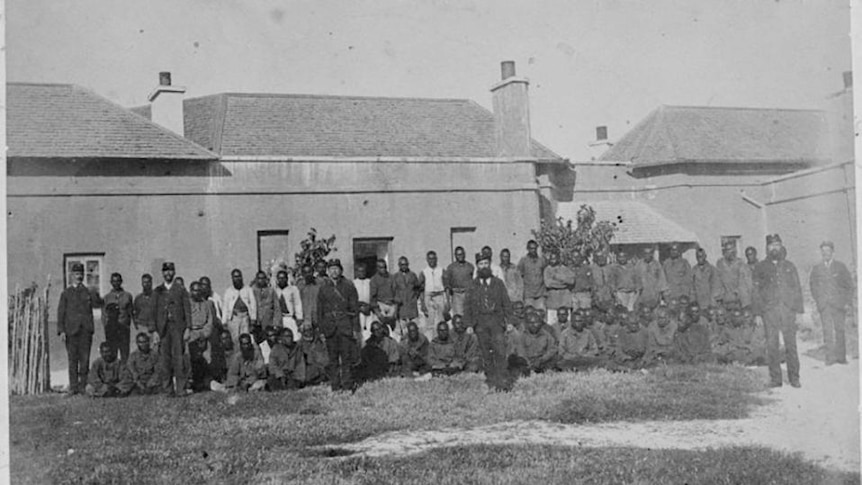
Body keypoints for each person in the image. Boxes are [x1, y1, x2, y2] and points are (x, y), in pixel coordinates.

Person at [752, 234, 804, 388]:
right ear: (767, 248)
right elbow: (755, 291)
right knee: (772, 345)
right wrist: (757, 313)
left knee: (791, 345)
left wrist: (799, 312)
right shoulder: (760, 267)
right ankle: (776, 379)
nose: (774, 248)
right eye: (771, 245)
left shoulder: (789, 266)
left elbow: (797, 289)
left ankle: (794, 377)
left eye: (777, 245)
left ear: (781, 246)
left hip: (787, 310)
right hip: (770, 311)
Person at [465, 251, 516, 390]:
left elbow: (506, 303)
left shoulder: (498, 283)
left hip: (496, 322)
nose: (484, 266)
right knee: (485, 353)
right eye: (481, 264)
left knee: (500, 351)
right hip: (480, 322)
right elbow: (467, 306)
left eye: (486, 263)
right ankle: (491, 380)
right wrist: (469, 324)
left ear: (490, 265)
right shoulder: (472, 285)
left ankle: (503, 381)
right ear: (477, 266)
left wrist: (510, 321)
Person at [317, 259, 361, 392]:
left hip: (345, 325)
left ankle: (347, 385)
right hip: (330, 327)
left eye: (336, 268)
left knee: (346, 358)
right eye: (331, 269)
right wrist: (322, 330)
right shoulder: (323, 288)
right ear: (328, 272)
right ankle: (335, 386)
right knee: (333, 359)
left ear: (341, 270)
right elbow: (320, 311)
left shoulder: (348, 286)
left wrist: (355, 328)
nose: (334, 271)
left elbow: (354, 309)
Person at [58, 263, 100, 396]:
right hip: (71, 331)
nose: (79, 276)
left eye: (81, 274)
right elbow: (61, 312)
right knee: (72, 360)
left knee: (85, 359)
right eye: (76, 274)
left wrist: (95, 293)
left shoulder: (88, 291)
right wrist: (62, 331)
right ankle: (73, 387)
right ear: (71, 275)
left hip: (85, 331)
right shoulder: (66, 293)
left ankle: (83, 386)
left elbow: (98, 304)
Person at [809, 241, 854, 365]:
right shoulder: (817, 268)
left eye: (828, 251)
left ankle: (841, 357)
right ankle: (830, 358)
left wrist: (846, 302)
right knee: (827, 331)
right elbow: (813, 285)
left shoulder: (840, 267)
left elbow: (849, 286)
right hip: (825, 306)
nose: (825, 254)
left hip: (839, 305)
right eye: (823, 251)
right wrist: (819, 299)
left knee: (840, 330)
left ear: (833, 252)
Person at [154, 262, 192, 396]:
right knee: (165, 359)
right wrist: (154, 331)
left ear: (174, 272)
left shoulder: (180, 290)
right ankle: (167, 389)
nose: (168, 273)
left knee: (179, 358)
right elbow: (153, 311)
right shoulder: (158, 291)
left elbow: (187, 310)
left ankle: (180, 389)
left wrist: (188, 328)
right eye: (165, 271)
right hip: (163, 329)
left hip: (177, 328)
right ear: (162, 273)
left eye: (170, 270)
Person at [187, 281, 214, 391]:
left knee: (207, 359)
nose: (196, 293)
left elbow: (210, 321)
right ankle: (190, 383)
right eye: (194, 290)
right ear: (190, 291)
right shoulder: (186, 304)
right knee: (190, 360)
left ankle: (205, 383)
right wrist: (192, 335)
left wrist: (204, 334)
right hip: (191, 334)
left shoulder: (206, 304)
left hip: (204, 334)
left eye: (198, 290)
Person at [419, 252, 449, 340]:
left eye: (433, 259)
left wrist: (447, 302)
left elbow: (446, 286)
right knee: (430, 322)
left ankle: (441, 339)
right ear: (427, 260)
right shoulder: (424, 272)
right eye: (430, 259)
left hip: (439, 295)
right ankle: (431, 341)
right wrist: (423, 304)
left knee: (441, 320)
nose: (432, 261)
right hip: (428, 296)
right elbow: (421, 289)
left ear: (436, 259)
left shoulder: (442, 270)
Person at [223, 269, 257, 347]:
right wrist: (224, 322)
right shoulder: (228, 291)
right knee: (235, 340)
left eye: (239, 276)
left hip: (245, 317)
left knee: (246, 338)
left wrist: (253, 319)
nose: (237, 279)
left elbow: (253, 305)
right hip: (234, 318)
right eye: (235, 277)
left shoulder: (248, 289)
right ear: (232, 278)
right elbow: (225, 307)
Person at [716, 242, 753, 309]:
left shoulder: (742, 265)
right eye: (728, 250)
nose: (731, 252)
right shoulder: (720, 265)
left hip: (739, 302)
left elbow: (747, 286)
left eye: (733, 249)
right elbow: (718, 284)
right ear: (724, 252)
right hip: (725, 303)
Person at [393, 257, 422, 339]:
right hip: (401, 307)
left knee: (414, 330)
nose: (404, 266)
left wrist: (414, 297)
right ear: (399, 265)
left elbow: (418, 288)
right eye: (402, 265)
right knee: (403, 332)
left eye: (405, 264)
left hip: (412, 307)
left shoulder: (413, 275)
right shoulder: (395, 277)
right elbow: (393, 290)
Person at [543, 252, 575, 322]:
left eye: (554, 258)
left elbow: (571, 281)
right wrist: (564, 284)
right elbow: (548, 284)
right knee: (552, 324)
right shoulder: (547, 270)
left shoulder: (565, 269)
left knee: (567, 324)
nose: (552, 260)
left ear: (558, 259)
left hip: (565, 302)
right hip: (552, 302)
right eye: (551, 259)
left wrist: (559, 278)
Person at [370, 259, 399, 337]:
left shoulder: (391, 278)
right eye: (381, 267)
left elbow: (396, 293)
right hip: (380, 305)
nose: (383, 269)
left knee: (394, 330)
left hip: (391, 304)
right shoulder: (374, 280)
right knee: (379, 329)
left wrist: (395, 310)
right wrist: (378, 313)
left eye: (385, 267)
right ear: (377, 268)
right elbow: (373, 298)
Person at [444, 246, 475, 316]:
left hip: (467, 294)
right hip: (456, 294)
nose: (460, 256)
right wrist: (448, 301)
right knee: (458, 316)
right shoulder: (451, 268)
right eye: (458, 255)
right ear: (455, 256)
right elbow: (447, 285)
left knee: (468, 314)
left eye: (462, 254)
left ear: (464, 254)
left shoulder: (470, 266)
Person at [518, 240, 547, 311]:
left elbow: (545, 274)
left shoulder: (542, 260)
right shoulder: (523, 261)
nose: (533, 250)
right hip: (528, 294)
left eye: (535, 248)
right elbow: (520, 275)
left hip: (540, 294)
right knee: (529, 314)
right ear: (527, 249)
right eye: (531, 248)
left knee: (541, 314)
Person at [253, 270, 283, 337]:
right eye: (259, 278)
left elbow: (277, 308)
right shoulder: (252, 291)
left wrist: (276, 323)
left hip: (268, 322)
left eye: (263, 278)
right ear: (256, 279)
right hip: (256, 323)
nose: (261, 280)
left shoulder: (271, 291)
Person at [133, 274, 158, 350]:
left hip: (155, 328)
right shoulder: (138, 298)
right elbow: (135, 313)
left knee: (155, 350)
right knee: (142, 349)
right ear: (141, 283)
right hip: (142, 327)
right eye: (144, 282)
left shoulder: (157, 297)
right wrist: (137, 325)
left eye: (148, 282)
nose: (146, 284)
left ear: (151, 283)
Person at [275, 270, 303, 338]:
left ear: (287, 279)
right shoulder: (274, 290)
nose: (282, 280)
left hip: (289, 317)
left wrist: (299, 317)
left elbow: (297, 303)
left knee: (293, 337)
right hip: (279, 318)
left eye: (283, 278)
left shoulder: (293, 289)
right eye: (280, 278)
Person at [353, 263, 374, 343]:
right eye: (359, 271)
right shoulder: (353, 283)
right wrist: (360, 307)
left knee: (370, 330)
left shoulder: (370, 282)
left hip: (369, 309)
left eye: (363, 271)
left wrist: (369, 306)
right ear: (356, 272)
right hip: (359, 310)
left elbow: (373, 296)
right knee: (361, 331)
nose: (361, 273)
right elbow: (352, 299)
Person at [298, 264, 321, 331]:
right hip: (305, 319)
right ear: (302, 274)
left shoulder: (320, 284)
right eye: (305, 272)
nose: (308, 274)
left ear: (313, 272)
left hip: (318, 317)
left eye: (309, 272)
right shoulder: (299, 286)